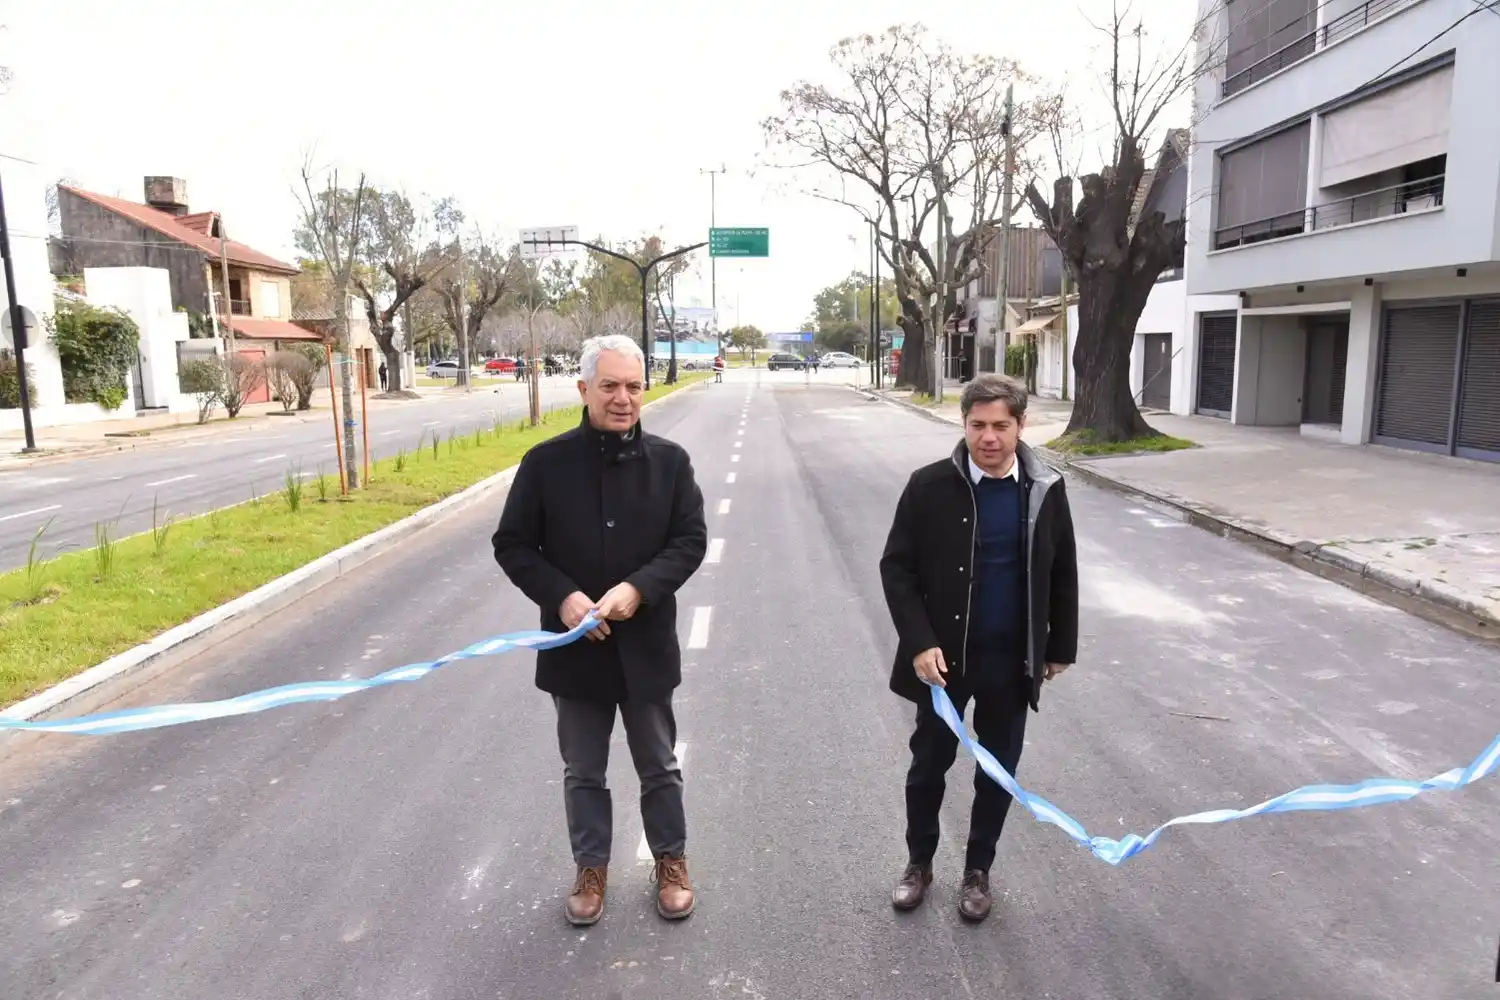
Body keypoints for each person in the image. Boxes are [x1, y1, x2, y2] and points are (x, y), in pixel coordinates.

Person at [492, 334, 708, 927]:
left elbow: (689, 542)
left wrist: (639, 589)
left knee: (659, 765)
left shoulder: (670, 463)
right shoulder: (545, 463)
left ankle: (672, 861)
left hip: (645, 647)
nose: (623, 398)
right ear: (583, 388)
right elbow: (512, 544)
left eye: (633, 386)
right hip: (574, 650)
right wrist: (562, 598)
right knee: (583, 770)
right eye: (609, 385)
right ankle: (591, 870)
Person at [878, 373, 1079, 923]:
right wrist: (919, 643)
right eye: (977, 425)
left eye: (1000, 426)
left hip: (1011, 663)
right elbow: (896, 569)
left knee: (998, 770)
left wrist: (1058, 646)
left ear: (1020, 425)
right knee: (928, 767)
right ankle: (918, 862)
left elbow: (1061, 571)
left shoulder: (1044, 490)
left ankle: (978, 871)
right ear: (962, 423)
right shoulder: (928, 486)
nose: (988, 437)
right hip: (943, 663)